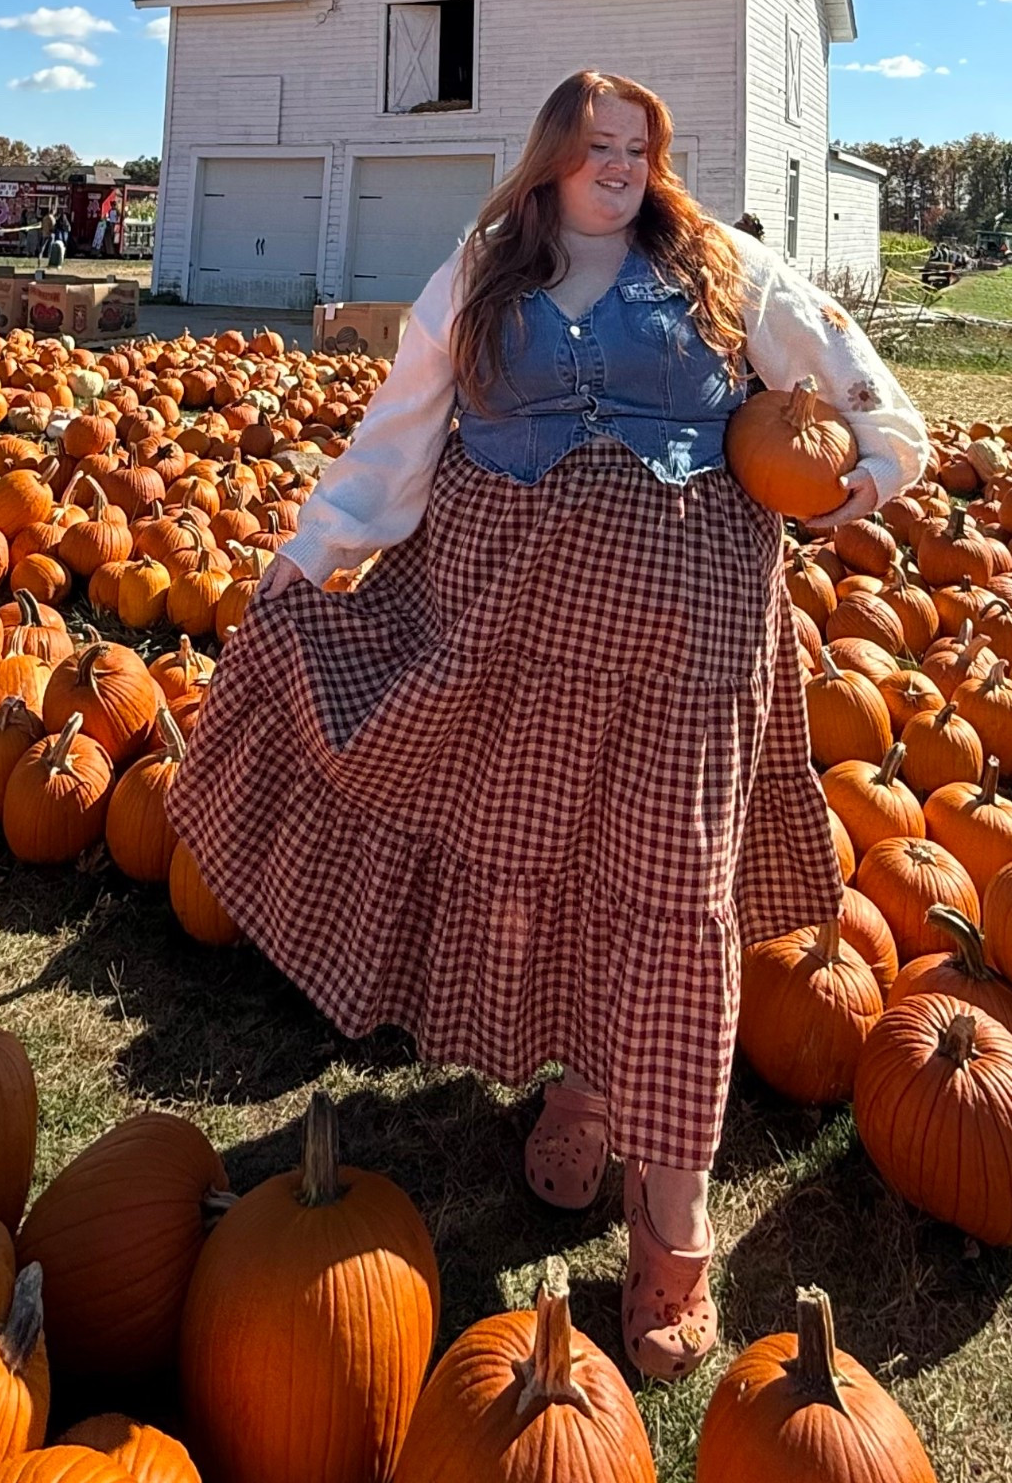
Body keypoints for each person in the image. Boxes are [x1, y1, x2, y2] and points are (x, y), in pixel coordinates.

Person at [166, 69, 930, 1381]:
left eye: (641, 144)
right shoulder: (483, 271)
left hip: (692, 649)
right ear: (551, 158)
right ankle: (585, 1083)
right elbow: (400, 435)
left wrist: (882, 455)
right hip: (509, 637)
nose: (620, 164)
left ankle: (670, 1240)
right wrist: (313, 551)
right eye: (597, 145)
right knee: (557, 874)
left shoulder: (723, 268)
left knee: (678, 905)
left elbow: (857, 387)